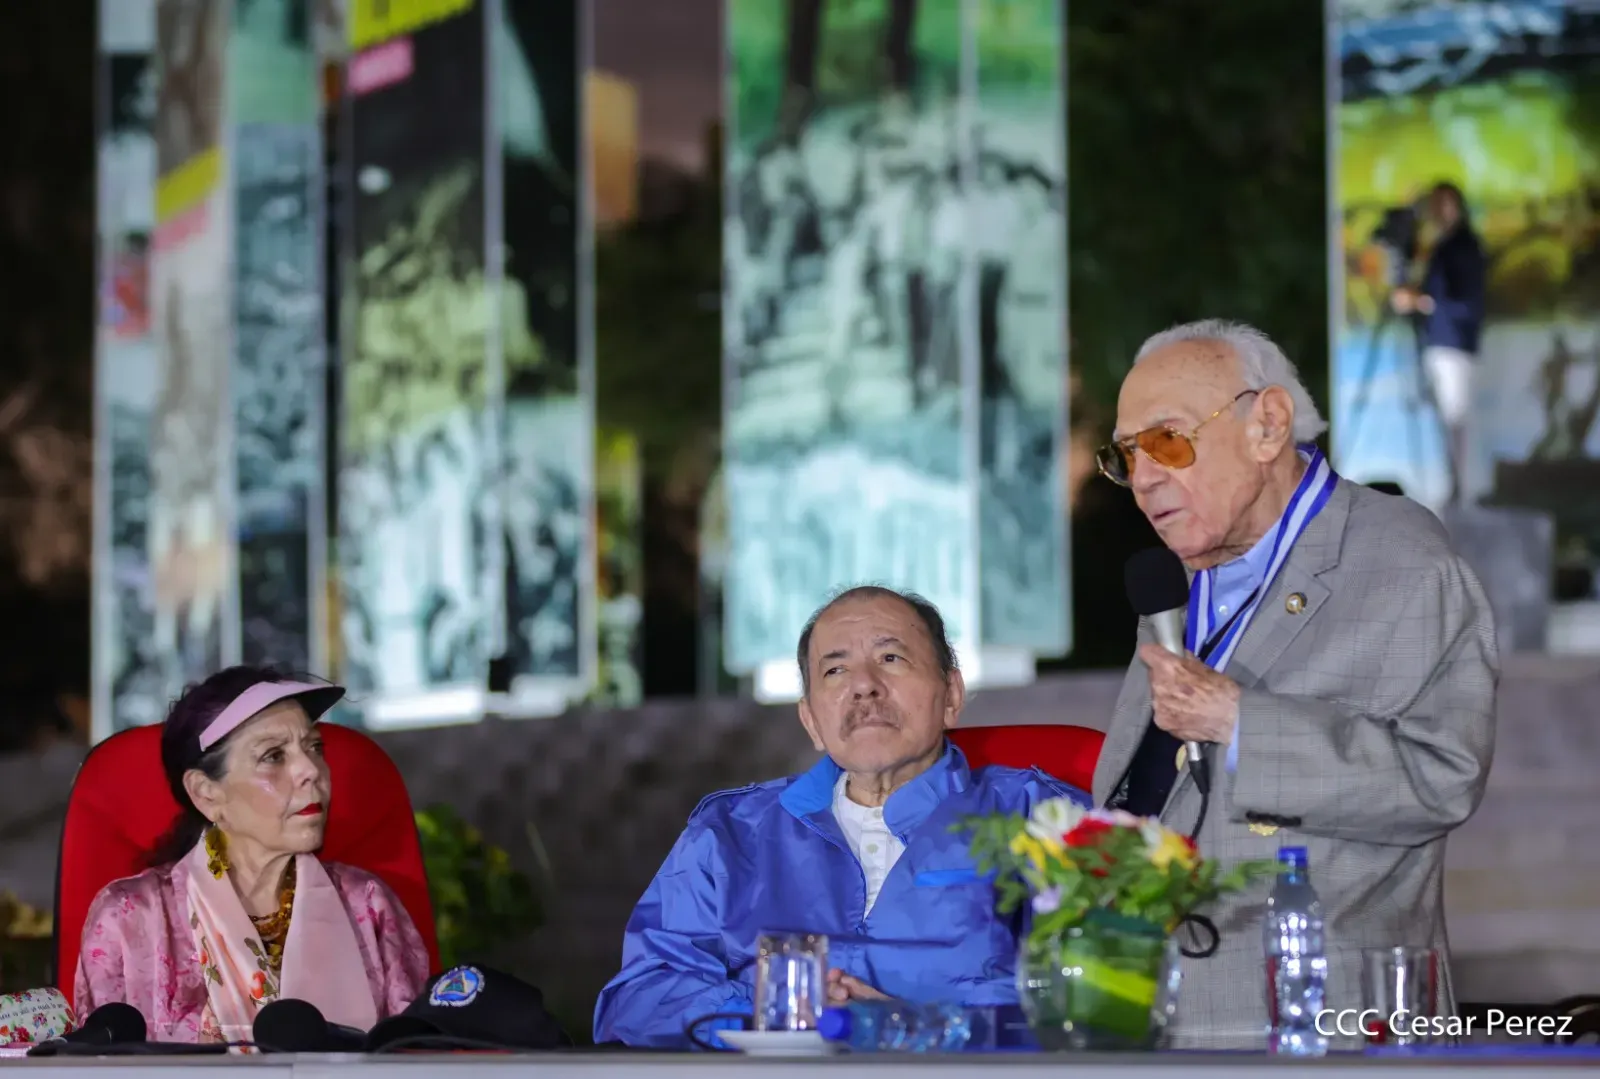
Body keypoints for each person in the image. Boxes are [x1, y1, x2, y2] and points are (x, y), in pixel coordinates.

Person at [1093, 319, 1497, 1050]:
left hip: (1326, 1024)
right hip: (1162, 1019)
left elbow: (1443, 779)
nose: (1145, 476)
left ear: (1268, 424)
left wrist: (1242, 723)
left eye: (1168, 441)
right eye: (1127, 455)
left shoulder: (1401, 561)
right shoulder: (1180, 584)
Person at [593, 586, 1089, 1048]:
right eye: (835, 671)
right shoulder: (730, 833)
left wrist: (909, 1027)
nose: (864, 688)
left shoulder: (1043, 821)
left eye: (891, 659)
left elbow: (1102, 1003)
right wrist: (776, 1017)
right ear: (810, 719)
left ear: (951, 696)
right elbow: (637, 1000)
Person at [74, 667, 431, 1043]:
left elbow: (417, 1054)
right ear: (206, 793)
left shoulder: (369, 905)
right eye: (274, 756)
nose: (311, 770)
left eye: (314, 747)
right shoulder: (132, 918)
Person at [1391, 181, 1486, 504]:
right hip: (1438, 343)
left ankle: (1459, 497)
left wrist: (1420, 301)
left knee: (1455, 422)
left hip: (1454, 345)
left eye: (1446, 204)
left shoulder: (1465, 247)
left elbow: (1467, 302)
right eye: (1436, 204)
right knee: (1444, 423)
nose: (1440, 211)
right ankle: (1450, 493)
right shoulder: (1438, 246)